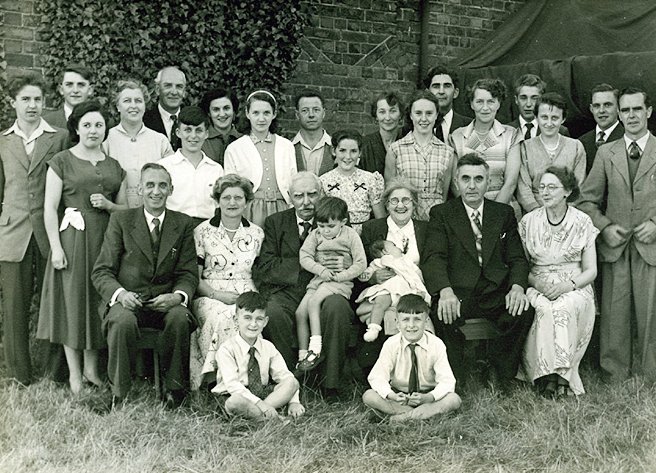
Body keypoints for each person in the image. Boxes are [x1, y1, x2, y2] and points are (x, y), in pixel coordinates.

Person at [37, 101, 127, 394]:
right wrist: (56, 248)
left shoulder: (114, 165)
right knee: (73, 303)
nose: (93, 130)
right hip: (73, 240)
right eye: (86, 125)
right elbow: (49, 208)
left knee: (96, 302)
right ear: (76, 128)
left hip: (106, 241)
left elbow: (126, 210)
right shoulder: (61, 161)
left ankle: (91, 369)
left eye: (99, 125)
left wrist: (109, 205)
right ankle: (75, 376)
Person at [421, 153, 534, 388]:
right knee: (442, 313)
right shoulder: (442, 213)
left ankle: (501, 374)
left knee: (522, 311)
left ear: (488, 182)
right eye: (466, 178)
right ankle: (455, 377)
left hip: (495, 291)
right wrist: (445, 291)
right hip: (458, 292)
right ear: (456, 182)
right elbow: (434, 258)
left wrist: (516, 287)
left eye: (478, 179)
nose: (472, 185)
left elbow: (517, 258)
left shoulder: (502, 213)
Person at [91, 163, 198, 408]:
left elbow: (188, 273)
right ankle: (119, 395)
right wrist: (121, 295)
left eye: (162, 185)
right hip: (129, 302)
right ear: (140, 189)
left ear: (171, 190)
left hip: (165, 303)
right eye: (150, 185)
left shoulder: (182, 223)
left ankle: (175, 392)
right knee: (122, 321)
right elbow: (102, 271)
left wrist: (177, 297)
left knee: (180, 318)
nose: (156, 191)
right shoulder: (121, 220)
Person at [252, 172, 355, 397]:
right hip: (288, 290)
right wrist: (311, 263)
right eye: (299, 196)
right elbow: (266, 267)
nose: (306, 202)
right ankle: (290, 379)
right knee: (274, 311)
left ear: (322, 194)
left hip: (327, 287)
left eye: (312, 194)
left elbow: (354, 257)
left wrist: (345, 263)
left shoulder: (335, 221)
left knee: (337, 307)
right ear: (290, 197)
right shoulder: (276, 223)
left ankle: (330, 384)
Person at [578, 87, 656, 382]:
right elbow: (587, 201)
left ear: (649, 111)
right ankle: (614, 374)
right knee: (615, 312)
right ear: (619, 115)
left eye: (637, 109)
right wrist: (605, 227)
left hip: (651, 246)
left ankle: (651, 375)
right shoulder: (606, 153)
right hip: (617, 246)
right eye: (625, 110)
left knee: (652, 312)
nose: (631, 115)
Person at [0, 76, 68, 385]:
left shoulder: (59, 137)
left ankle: (53, 372)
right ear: (13, 102)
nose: (32, 105)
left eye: (37, 99)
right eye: (25, 99)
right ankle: (20, 374)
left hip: (50, 233)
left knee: (53, 302)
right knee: (14, 305)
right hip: (12, 233)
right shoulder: (3, 141)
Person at [516, 167, 598, 398]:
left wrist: (567, 286)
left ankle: (562, 378)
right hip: (538, 282)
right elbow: (520, 265)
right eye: (542, 187)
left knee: (564, 306)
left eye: (552, 187)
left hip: (574, 283)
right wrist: (537, 284)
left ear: (567, 191)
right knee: (543, 308)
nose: (545, 192)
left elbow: (591, 270)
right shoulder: (528, 221)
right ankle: (546, 375)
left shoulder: (582, 221)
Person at [189, 174, 264, 390]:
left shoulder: (256, 233)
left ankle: (240, 382)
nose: (232, 203)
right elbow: (195, 277)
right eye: (226, 197)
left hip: (247, 293)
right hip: (209, 293)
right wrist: (217, 295)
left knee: (245, 316)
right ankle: (222, 381)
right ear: (217, 200)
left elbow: (259, 274)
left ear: (246, 201)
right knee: (224, 316)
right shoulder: (202, 232)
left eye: (238, 198)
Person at [362, 294, 461, 422]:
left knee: (453, 399)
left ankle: (404, 417)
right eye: (405, 319)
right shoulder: (391, 344)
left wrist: (429, 397)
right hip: (399, 397)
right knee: (369, 396)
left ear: (426, 322)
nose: (411, 325)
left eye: (417, 319)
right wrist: (392, 395)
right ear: (397, 323)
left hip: (427, 396)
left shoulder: (436, 344)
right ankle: (418, 414)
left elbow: (447, 381)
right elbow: (377, 377)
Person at [296, 196, 366, 370]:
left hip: (340, 282)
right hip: (319, 279)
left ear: (343, 222)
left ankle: (315, 348)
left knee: (313, 302)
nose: (325, 231)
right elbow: (304, 256)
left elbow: (360, 263)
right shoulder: (315, 234)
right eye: (321, 226)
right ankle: (303, 355)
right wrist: (321, 270)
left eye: (330, 226)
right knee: (300, 313)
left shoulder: (351, 235)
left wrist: (342, 276)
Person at [212, 291, 305, 420]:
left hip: (262, 393)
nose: (253, 324)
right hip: (234, 394)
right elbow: (232, 385)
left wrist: (294, 401)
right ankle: (274, 419)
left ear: (265, 321)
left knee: (292, 382)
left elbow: (285, 375)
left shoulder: (268, 347)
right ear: (236, 320)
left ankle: (260, 416)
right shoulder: (227, 349)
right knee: (235, 402)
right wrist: (261, 404)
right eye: (247, 318)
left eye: (259, 319)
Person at [449, 78, 522, 218]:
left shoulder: (511, 135)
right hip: (467, 213)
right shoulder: (457, 137)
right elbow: (455, 182)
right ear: (472, 104)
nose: (485, 107)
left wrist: (491, 215)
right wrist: (472, 212)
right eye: (479, 102)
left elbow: (511, 182)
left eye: (491, 101)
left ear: (498, 103)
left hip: (503, 211)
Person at [224, 90, 297, 227]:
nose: (261, 119)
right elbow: (231, 186)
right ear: (247, 114)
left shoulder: (286, 146)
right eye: (256, 113)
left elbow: (293, 179)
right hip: (251, 209)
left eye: (266, 113)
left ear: (274, 114)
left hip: (282, 207)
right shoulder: (235, 148)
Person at [384, 90, 456, 221]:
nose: (423, 119)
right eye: (418, 113)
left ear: (436, 115)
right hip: (404, 218)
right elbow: (390, 191)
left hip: (436, 220)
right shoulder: (395, 150)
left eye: (429, 113)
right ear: (411, 115)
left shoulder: (448, 152)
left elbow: (444, 195)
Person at [103, 79, 173, 208]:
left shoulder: (160, 140)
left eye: (138, 101)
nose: (133, 106)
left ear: (145, 105)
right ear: (117, 106)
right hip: (116, 212)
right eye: (127, 101)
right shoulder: (106, 139)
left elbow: (171, 178)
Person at [517, 93, 586, 213]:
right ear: (536, 117)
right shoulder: (525, 147)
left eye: (554, 118)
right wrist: (537, 213)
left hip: (568, 213)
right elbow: (523, 188)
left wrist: (565, 213)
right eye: (544, 117)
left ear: (563, 119)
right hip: (533, 213)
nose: (549, 123)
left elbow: (579, 185)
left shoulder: (575, 146)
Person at [159, 106, 224, 227]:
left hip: (207, 227)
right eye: (188, 130)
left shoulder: (216, 169)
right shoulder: (164, 167)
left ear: (206, 134)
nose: (193, 136)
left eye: (198, 130)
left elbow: (220, 205)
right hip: (174, 227)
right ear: (178, 132)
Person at [356, 240, 431, 342]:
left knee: (408, 308)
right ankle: (373, 328)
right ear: (385, 251)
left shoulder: (406, 261)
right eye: (394, 245)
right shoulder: (379, 262)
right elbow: (364, 275)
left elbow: (418, 274)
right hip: (388, 288)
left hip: (404, 289)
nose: (398, 247)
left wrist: (420, 286)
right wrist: (370, 275)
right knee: (379, 304)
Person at [319, 130, 385, 234]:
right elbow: (321, 217)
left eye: (353, 151)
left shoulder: (370, 179)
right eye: (342, 150)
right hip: (334, 235)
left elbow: (380, 219)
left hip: (364, 236)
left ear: (360, 152)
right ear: (333, 151)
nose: (348, 157)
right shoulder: (324, 181)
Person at [578, 84, 624, 174]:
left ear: (618, 108)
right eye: (597, 106)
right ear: (591, 109)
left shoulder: (629, 139)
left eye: (607, 105)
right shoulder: (581, 142)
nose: (601, 110)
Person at [508, 74, 569, 140]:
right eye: (523, 98)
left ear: (542, 100)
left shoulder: (559, 131)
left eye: (534, 98)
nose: (528, 104)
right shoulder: (506, 131)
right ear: (516, 100)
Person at [423, 64, 471, 142]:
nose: (441, 91)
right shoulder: (416, 125)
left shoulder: (470, 126)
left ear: (455, 93)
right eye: (436, 86)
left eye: (447, 86)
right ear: (427, 93)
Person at [359, 91, 404, 175]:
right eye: (382, 112)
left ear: (400, 115)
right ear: (376, 116)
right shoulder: (365, 145)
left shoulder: (408, 143)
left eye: (393, 111)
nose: (387, 118)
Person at [143, 66, 186, 150]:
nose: (174, 92)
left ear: (184, 92)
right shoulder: (143, 121)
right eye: (168, 86)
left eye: (179, 86)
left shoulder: (194, 120)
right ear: (157, 89)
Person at [292, 89, 333, 175]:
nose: (311, 115)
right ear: (297, 115)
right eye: (305, 110)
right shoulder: (287, 147)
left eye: (316, 110)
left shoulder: (337, 147)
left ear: (323, 113)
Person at [199, 88, 241, 167]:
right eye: (216, 109)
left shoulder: (244, 140)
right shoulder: (200, 141)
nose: (222, 114)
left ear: (233, 110)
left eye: (226, 108)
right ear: (209, 113)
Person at [43, 64, 94, 129]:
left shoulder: (103, 122)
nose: (75, 90)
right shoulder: (46, 123)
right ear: (61, 89)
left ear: (90, 90)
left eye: (81, 85)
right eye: (69, 85)